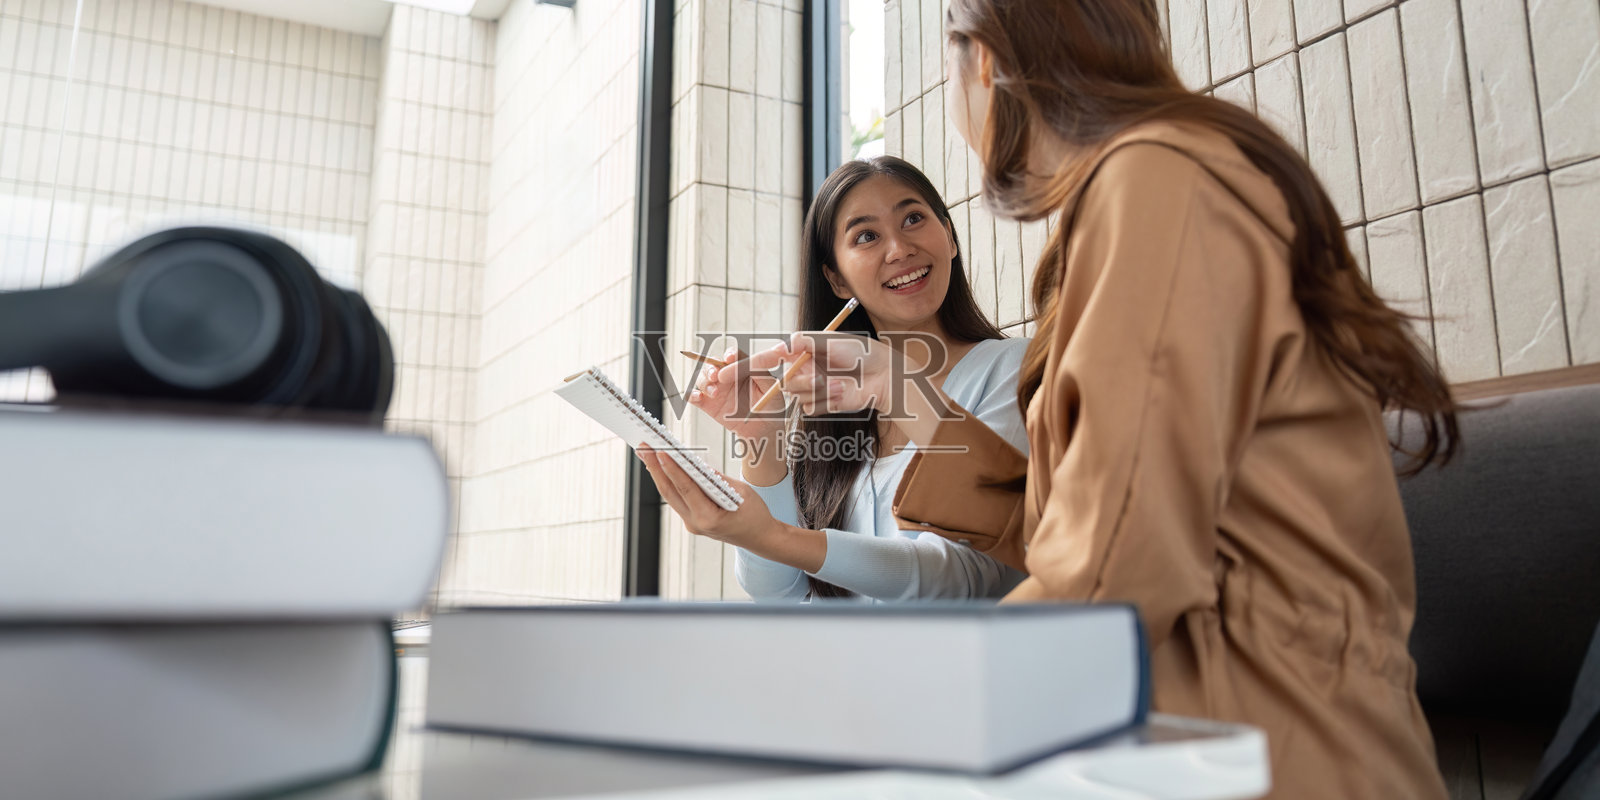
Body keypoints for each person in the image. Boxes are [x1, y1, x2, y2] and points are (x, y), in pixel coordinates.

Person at [737, 1, 1461, 797]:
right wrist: (895, 391)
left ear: (984, 61)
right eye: (864, 236)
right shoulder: (1142, 188)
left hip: (1259, 743)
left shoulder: (1154, 183)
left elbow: (1116, 560)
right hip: (1192, 723)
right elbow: (1079, 521)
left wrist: (903, 704)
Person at [638, 156, 1028, 602]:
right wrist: (762, 438)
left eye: (914, 219)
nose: (899, 249)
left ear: (950, 238)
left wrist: (773, 536)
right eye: (866, 236)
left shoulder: (1011, 369)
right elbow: (778, 593)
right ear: (837, 280)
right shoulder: (832, 405)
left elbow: (968, 576)